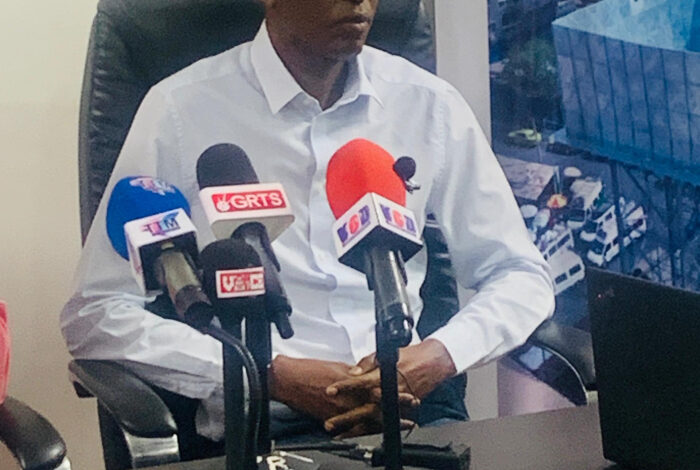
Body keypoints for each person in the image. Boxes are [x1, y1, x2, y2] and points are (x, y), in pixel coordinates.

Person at [61, 0, 554, 443]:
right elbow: (96, 312)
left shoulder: (428, 104)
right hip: (262, 422)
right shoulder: (180, 110)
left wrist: (439, 355)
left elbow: (520, 274)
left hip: (413, 410)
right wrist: (266, 373)